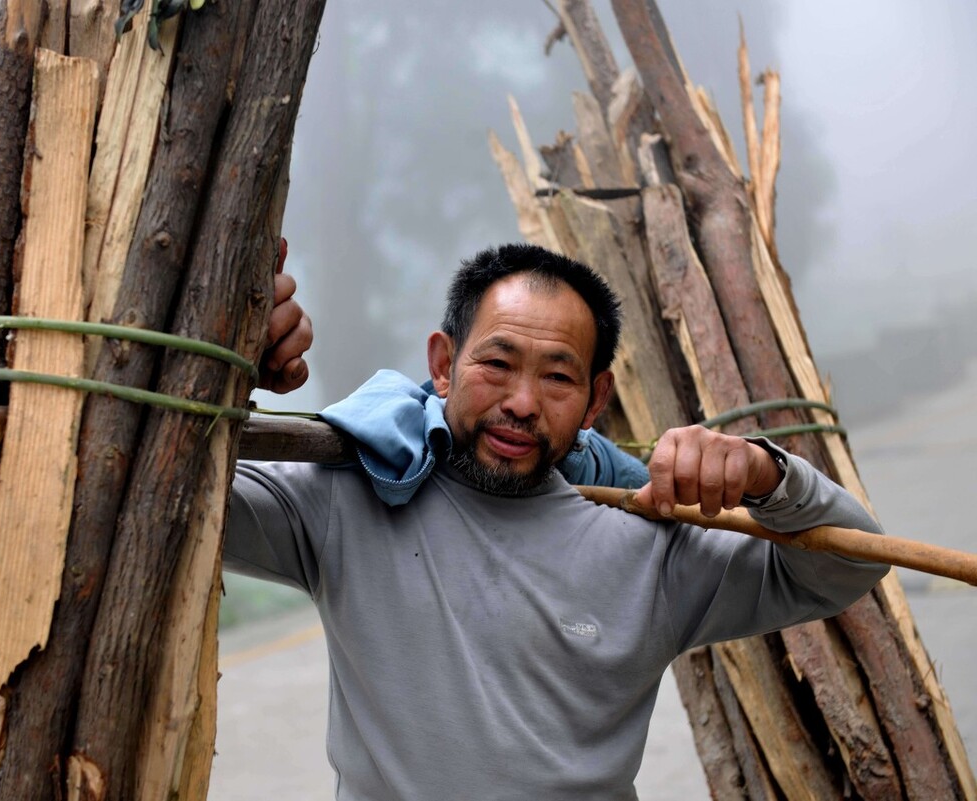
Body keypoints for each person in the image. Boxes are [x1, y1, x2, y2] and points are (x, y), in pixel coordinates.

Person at [240, 242, 887, 800]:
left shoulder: (644, 543)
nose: (522, 403)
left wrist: (766, 473)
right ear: (443, 364)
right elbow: (180, 499)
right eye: (496, 364)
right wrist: (231, 361)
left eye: (557, 377)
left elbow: (850, 565)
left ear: (593, 400)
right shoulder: (346, 500)